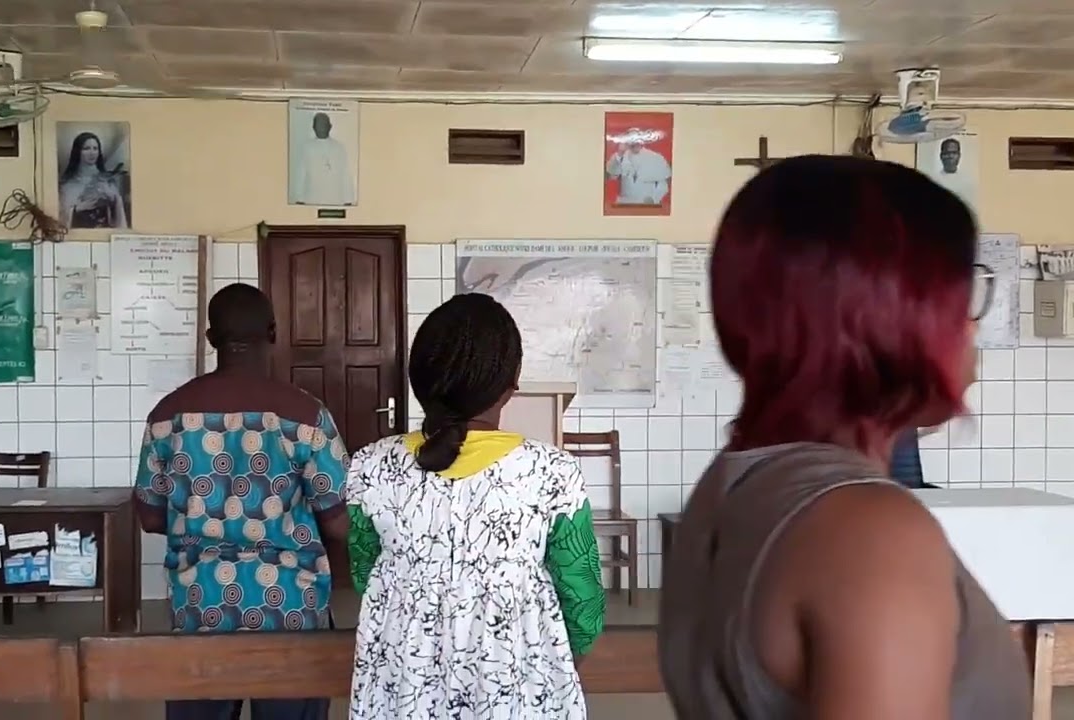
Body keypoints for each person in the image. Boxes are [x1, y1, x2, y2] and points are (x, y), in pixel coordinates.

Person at [658, 155, 1027, 719]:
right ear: (893, 318)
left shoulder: (730, 483)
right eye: (959, 292)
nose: (972, 323)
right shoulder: (870, 530)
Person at [345, 292, 606, 720]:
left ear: (420, 380)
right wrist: (550, 660)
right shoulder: (552, 474)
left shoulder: (371, 467)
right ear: (512, 383)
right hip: (517, 683)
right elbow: (583, 601)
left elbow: (364, 572)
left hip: (401, 683)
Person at [134, 282, 349, 720]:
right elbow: (338, 520)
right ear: (273, 332)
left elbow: (150, 516)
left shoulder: (166, 416)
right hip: (290, 608)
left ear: (211, 339)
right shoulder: (306, 415)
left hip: (200, 605)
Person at [59, 131, 129, 229]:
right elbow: (61, 217)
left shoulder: (107, 181)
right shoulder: (67, 185)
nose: (92, 153)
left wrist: (113, 200)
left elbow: (119, 217)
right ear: (78, 151)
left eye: (95, 148)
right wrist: (79, 208)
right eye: (86, 148)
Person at [290, 112, 355, 207]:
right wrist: (299, 198)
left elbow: (346, 174)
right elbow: (300, 174)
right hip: (312, 198)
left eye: (324, 125)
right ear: (313, 127)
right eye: (318, 125)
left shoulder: (339, 148)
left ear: (330, 126)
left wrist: (348, 199)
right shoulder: (306, 147)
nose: (321, 128)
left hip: (335, 199)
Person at [605, 129, 672, 205]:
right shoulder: (620, 156)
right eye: (632, 140)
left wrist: (654, 198)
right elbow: (612, 176)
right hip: (624, 203)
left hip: (648, 203)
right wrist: (620, 153)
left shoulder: (656, 158)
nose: (635, 143)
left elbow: (663, 185)